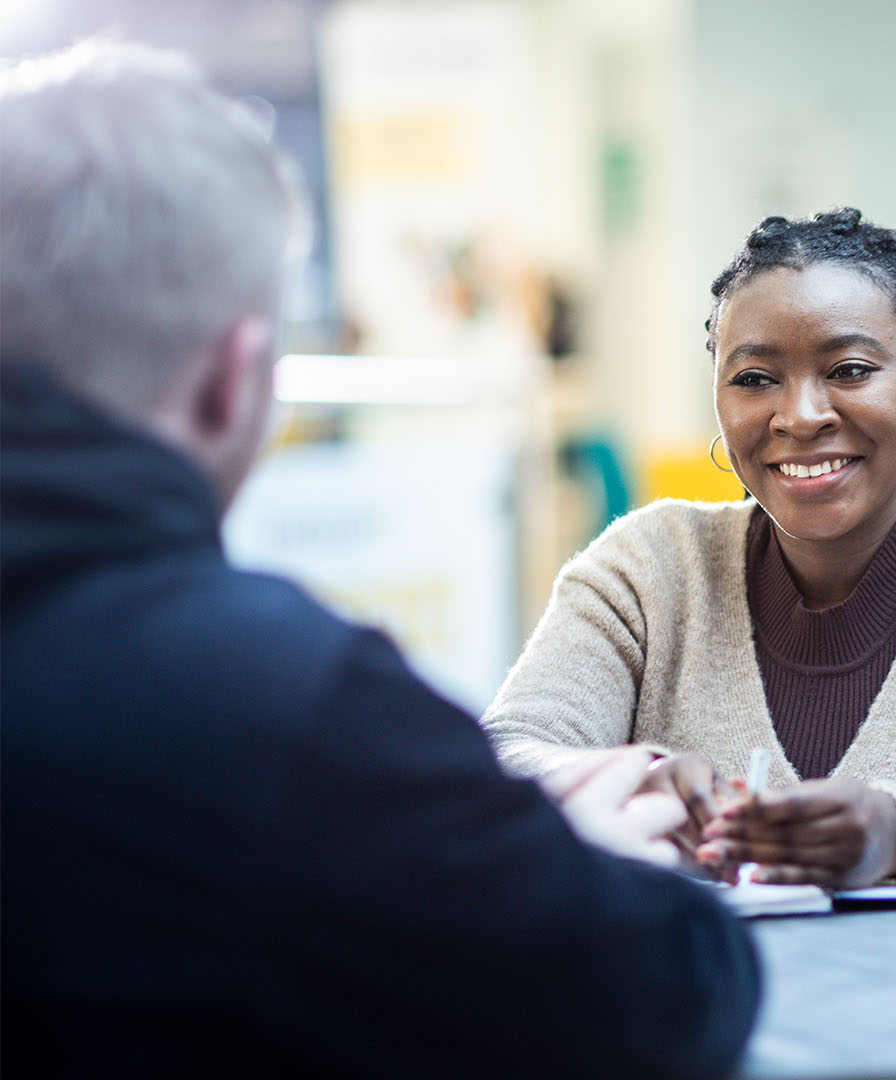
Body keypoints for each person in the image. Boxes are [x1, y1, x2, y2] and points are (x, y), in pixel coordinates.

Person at [0, 42, 758, 1078]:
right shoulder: (275, 706)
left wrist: (490, 833)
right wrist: (583, 864)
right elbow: (661, 995)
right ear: (235, 381)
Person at [484, 208, 896, 890]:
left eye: (848, 369)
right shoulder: (646, 569)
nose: (801, 415)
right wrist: (635, 781)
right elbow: (502, 759)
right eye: (754, 379)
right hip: (706, 994)